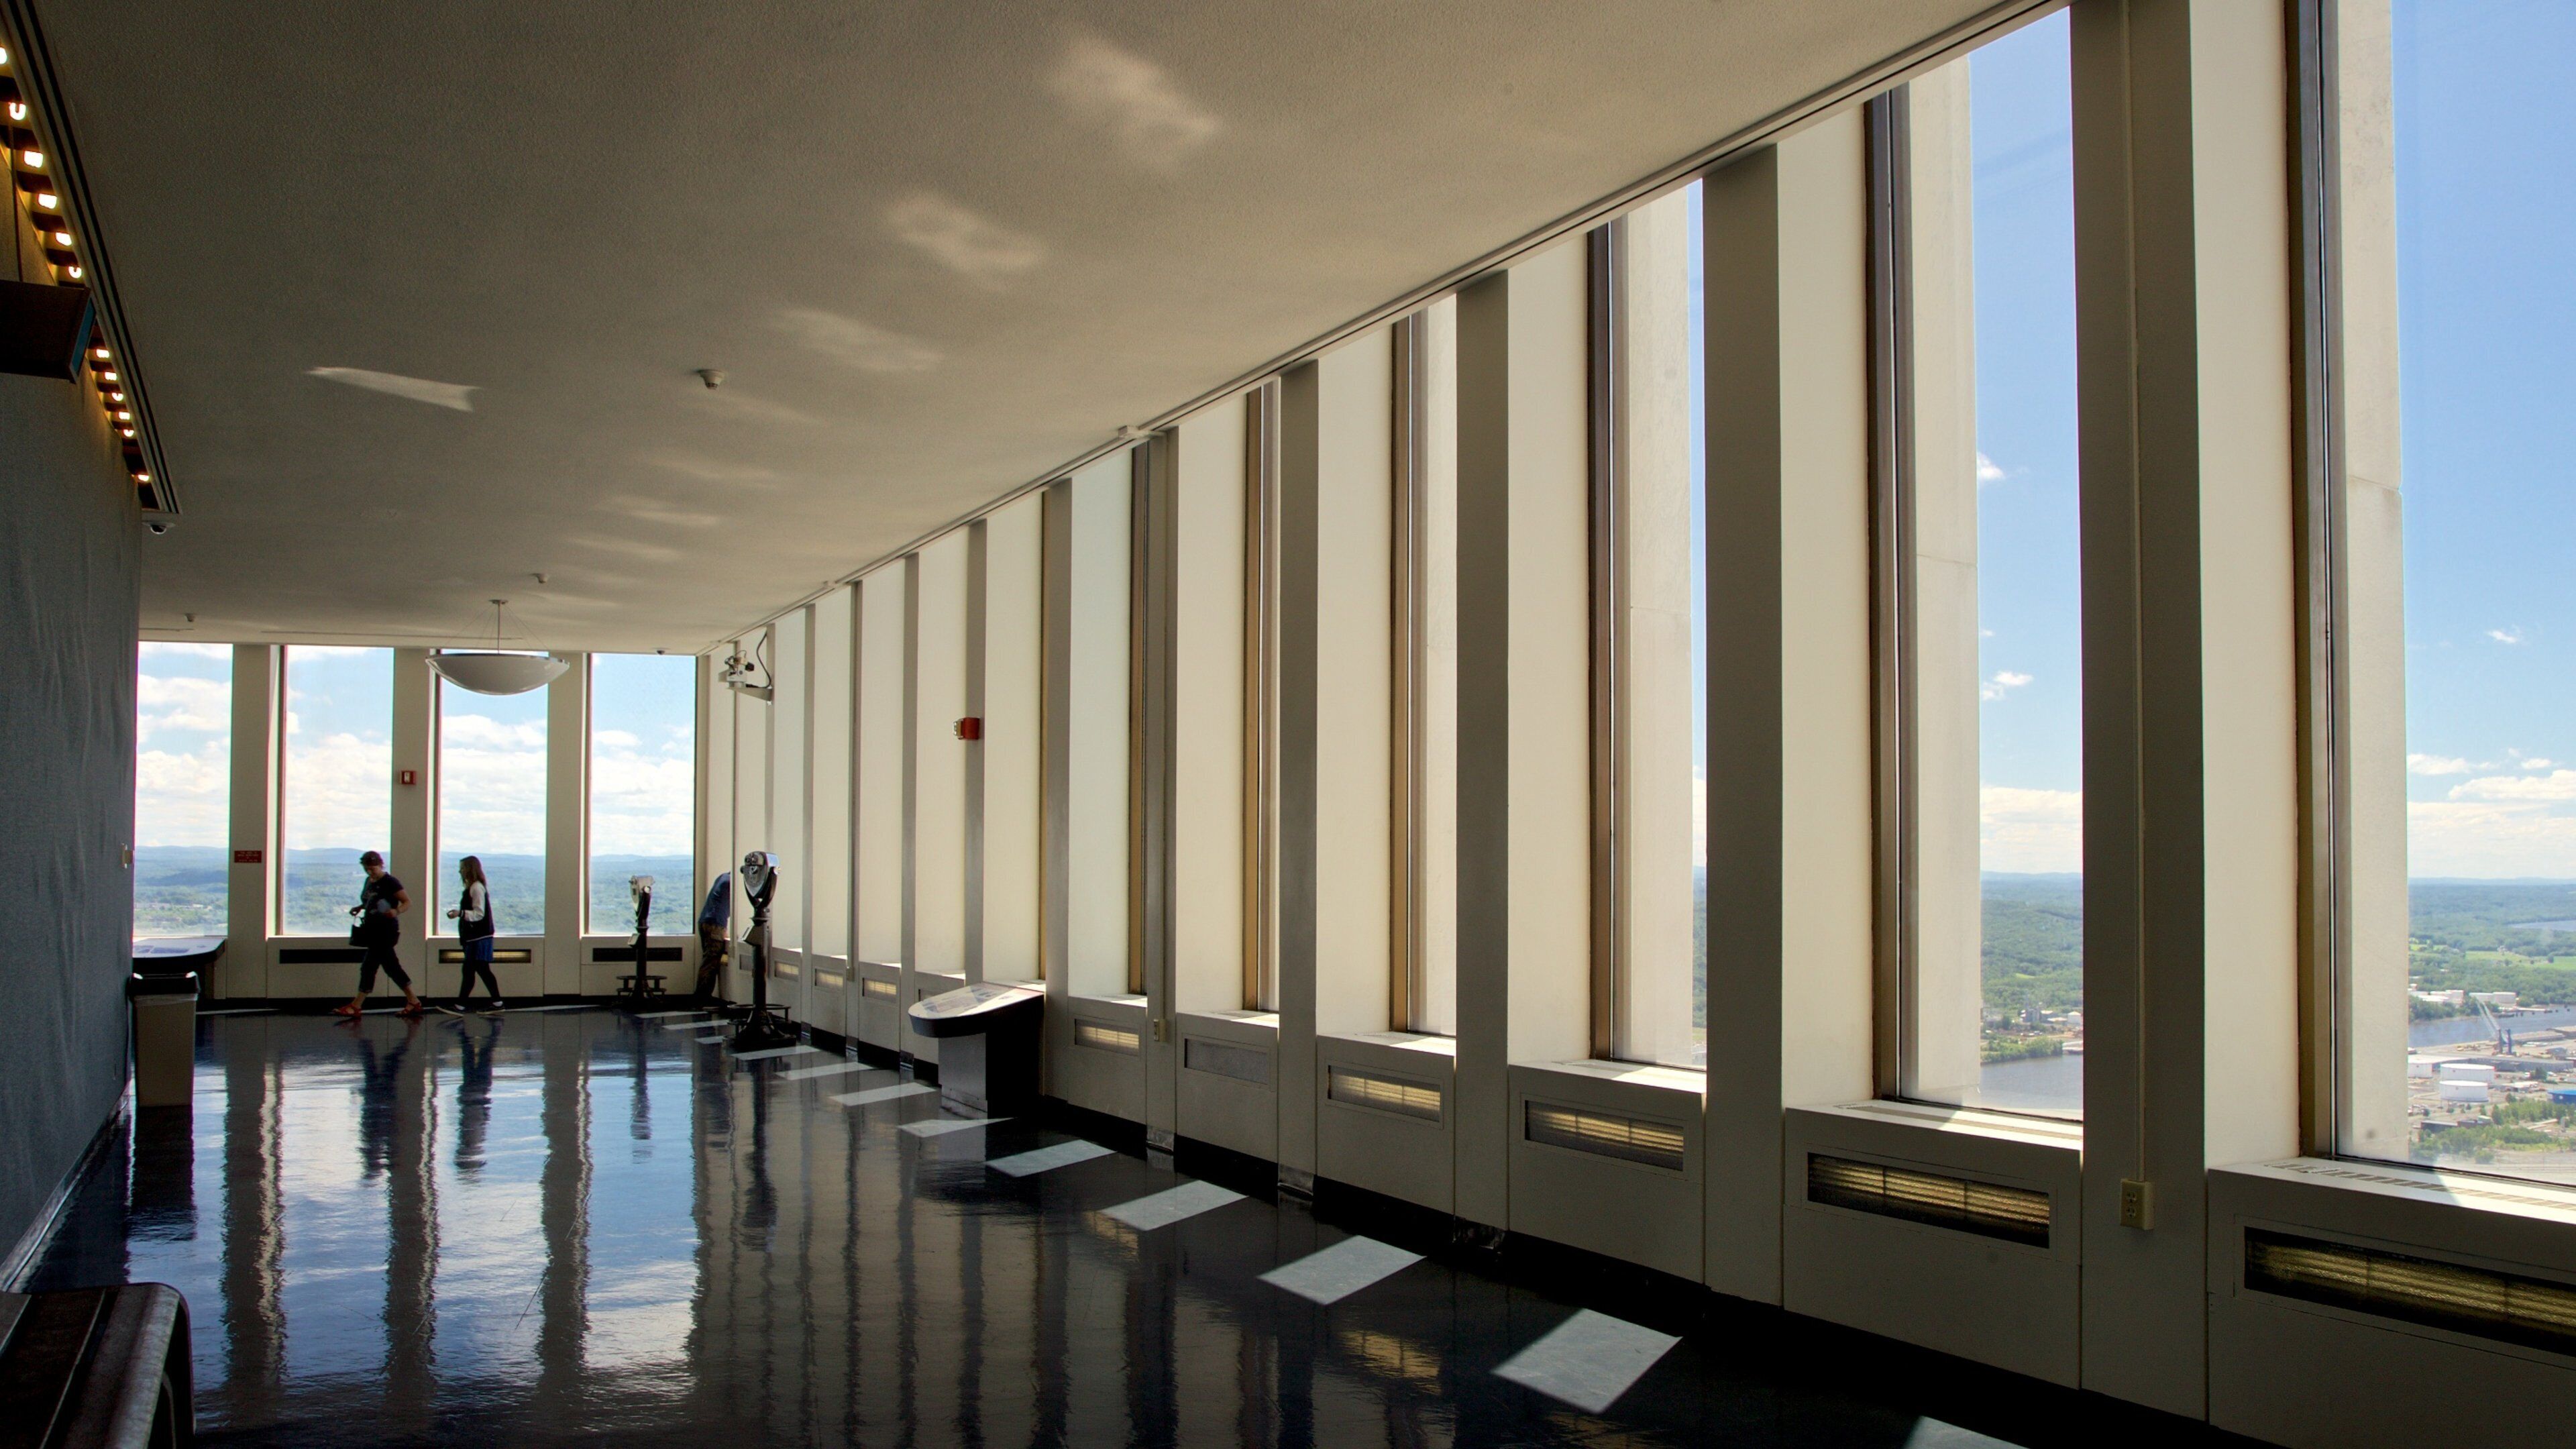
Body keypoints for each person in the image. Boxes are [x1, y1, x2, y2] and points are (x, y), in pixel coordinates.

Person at [335, 851, 423, 1018]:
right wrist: (360, 907)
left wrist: (396, 911)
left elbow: (407, 902)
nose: (370, 872)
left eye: (372, 869)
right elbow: (369, 900)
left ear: (380, 865)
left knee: (369, 967)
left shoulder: (390, 882)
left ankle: (356, 1005)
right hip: (372, 931)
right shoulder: (369, 881)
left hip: (385, 932)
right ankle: (413, 1001)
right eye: (366, 869)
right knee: (391, 967)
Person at [440, 855, 504, 1014]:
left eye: (462, 868)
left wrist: (460, 913)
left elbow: (479, 914)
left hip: (478, 937)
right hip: (477, 937)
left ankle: (461, 1005)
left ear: (469, 870)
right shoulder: (476, 887)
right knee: (480, 970)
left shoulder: (476, 888)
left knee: (473, 970)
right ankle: (495, 1003)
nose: (460, 872)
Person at [696, 870, 732, 1002]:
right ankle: (702, 998)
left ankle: (702, 997)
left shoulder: (723, 877)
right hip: (715, 924)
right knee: (710, 962)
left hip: (706, 921)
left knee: (708, 960)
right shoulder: (731, 882)